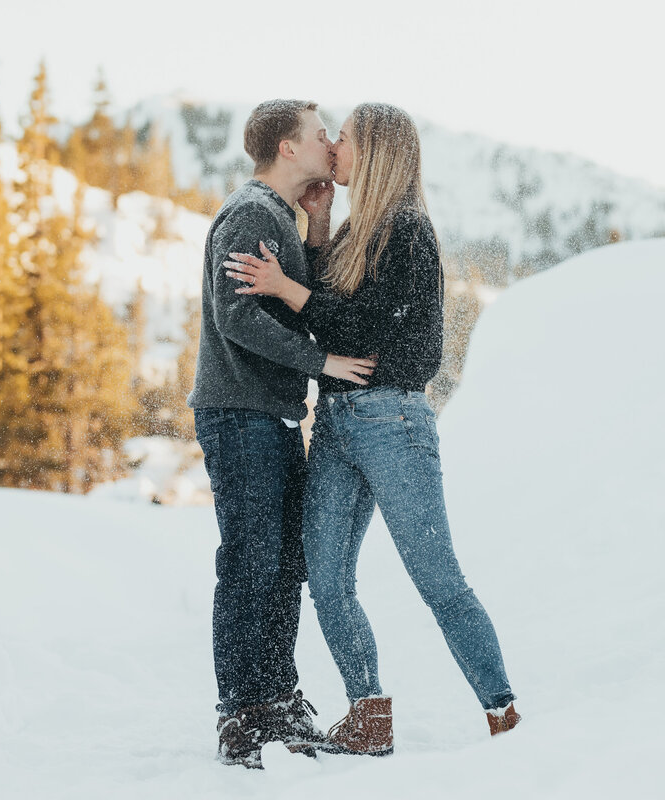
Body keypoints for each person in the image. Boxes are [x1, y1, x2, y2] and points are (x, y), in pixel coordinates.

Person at [223, 102, 521, 757]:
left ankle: (502, 711)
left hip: (391, 421)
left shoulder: (408, 230)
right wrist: (321, 227)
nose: (335, 148)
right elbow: (327, 321)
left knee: (438, 581)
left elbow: (363, 329)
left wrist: (286, 286)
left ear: (379, 151)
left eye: (347, 139)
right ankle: (368, 712)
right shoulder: (361, 228)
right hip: (335, 423)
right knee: (326, 579)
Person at [187, 99, 378, 769]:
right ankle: (242, 710)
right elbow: (237, 317)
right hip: (239, 413)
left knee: (281, 563)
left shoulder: (282, 218)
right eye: (320, 132)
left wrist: (320, 223)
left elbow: (301, 298)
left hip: (266, 413)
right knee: (251, 562)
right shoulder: (250, 215)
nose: (330, 141)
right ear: (288, 148)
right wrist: (322, 362)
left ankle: (275, 696)